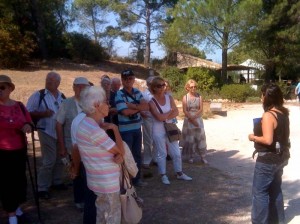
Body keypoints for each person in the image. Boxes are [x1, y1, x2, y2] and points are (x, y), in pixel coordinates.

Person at [74, 86, 124, 223]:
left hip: (97, 182)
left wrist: (118, 155)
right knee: (111, 218)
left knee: (102, 217)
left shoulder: (86, 124)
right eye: (106, 102)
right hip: (107, 184)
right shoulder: (95, 130)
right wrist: (115, 129)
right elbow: (121, 151)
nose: (109, 105)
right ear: (97, 105)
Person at [248, 83, 290, 224]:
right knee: (275, 190)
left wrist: (253, 137)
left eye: (262, 94)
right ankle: (277, 220)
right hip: (281, 158)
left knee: (260, 193)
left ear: (268, 97)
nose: (261, 98)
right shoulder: (283, 113)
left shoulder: (268, 115)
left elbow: (267, 139)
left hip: (268, 160)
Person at [26, 71, 67, 199]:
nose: (48, 82)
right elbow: (28, 113)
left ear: (58, 83)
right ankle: (42, 187)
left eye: (52, 80)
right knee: (49, 160)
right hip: (45, 131)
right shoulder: (39, 95)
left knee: (60, 158)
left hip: (60, 132)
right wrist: (42, 114)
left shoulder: (62, 96)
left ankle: (57, 181)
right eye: (47, 80)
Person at [0, 75, 32, 224]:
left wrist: (27, 127)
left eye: (2, 87)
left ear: (10, 89)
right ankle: (11, 214)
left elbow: (29, 123)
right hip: (2, 151)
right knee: (6, 182)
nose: (0, 91)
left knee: (19, 180)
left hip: (19, 149)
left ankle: (16, 207)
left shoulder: (19, 106)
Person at [149, 76, 192, 185]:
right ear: (154, 88)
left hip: (170, 128)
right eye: (159, 86)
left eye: (163, 85)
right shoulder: (151, 101)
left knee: (176, 152)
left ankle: (179, 173)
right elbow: (159, 118)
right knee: (162, 153)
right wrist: (169, 114)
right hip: (158, 130)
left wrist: (165, 116)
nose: (163, 87)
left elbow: (176, 112)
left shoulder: (169, 98)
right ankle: (163, 175)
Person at [55, 77, 90, 210]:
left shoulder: (91, 103)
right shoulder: (66, 103)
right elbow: (59, 124)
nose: (81, 89)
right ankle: (79, 200)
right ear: (73, 87)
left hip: (88, 146)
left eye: (84, 87)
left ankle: (89, 199)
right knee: (77, 173)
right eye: (78, 86)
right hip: (72, 146)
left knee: (88, 173)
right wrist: (62, 146)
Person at [115, 69, 149, 187]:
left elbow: (146, 107)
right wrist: (138, 107)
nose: (128, 81)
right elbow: (124, 112)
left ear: (134, 79)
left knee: (137, 154)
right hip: (125, 131)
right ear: (122, 80)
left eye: (131, 78)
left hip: (136, 128)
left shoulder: (137, 92)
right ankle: (126, 181)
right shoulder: (119, 94)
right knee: (126, 156)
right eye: (126, 79)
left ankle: (136, 179)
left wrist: (132, 106)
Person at [180, 79, 208, 164]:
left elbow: (201, 109)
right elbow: (185, 110)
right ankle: (191, 156)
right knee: (190, 138)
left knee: (200, 138)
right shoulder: (185, 97)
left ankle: (202, 156)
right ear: (187, 88)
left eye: (195, 86)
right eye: (191, 87)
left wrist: (195, 117)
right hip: (189, 119)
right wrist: (191, 119)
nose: (194, 88)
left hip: (198, 118)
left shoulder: (199, 96)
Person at [141, 76, 155, 168]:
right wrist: (142, 113)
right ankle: (147, 159)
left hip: (157, 119)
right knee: (147, 140)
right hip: (147, 119)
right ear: (148, 84)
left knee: (157, 139)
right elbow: (140, 106)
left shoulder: (158, 93)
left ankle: (156, 158)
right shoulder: (144, 94)